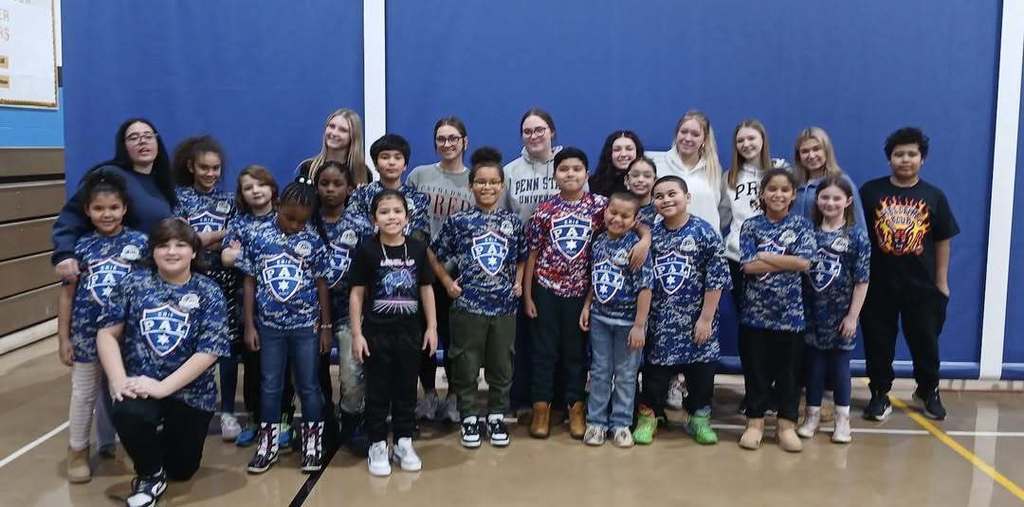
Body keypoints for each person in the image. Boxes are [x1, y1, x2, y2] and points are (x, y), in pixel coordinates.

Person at [95, 218, 229, 507]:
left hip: (190, 393)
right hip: (141, 385)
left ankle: (159, 444)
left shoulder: (209, 292)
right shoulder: (133, 283)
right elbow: (107, 332)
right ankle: (149, 474)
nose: (171, 252)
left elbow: (209, 351)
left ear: (194, 252)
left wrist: (163, 387)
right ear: (152, 251)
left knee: (181, 470)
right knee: (128, 411)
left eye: (180, 245)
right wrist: (117, 378)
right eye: (163, 245)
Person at [523, 147, 649, 439]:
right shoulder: (544, 210)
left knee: (575, 354)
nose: (570, 174)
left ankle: (575, 406)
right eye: (564, 169)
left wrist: (645, 240)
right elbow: (532, 253)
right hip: (546, 289)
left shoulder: (600, 206)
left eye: (576, 169)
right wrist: (528, 295)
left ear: (586, 173)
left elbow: (635, 222)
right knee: (544, 352)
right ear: (554, 175)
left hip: (581, 293)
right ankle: (541, 407)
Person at [859, 127, 958, 421]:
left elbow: (943, 239)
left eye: (911, 154)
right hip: (878, 284)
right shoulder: (870, 192)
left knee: (925, 340)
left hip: (922, 286)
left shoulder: (933, 196)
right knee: (878, 341)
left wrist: (942, 282)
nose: (905, 159)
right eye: (898, 154)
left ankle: (928, 389)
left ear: (922, 159)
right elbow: (858, 234)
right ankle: (879, 392)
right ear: (889, 158)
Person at [429, 147, 526, 449]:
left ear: (502, 185)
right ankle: (469, 416)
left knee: (502, 364)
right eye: (480, 182)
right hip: (468, 305)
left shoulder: (513, 222)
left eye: (493, 182)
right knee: (465, 363)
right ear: (471, 186)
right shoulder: (459, 222)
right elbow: (432, 253)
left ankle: (496, 414)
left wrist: (519, 283)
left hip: (504, 306)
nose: (487, 187)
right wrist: (446, 282)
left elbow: (522, 256)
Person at [58, 171, 148, 483]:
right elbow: (67, 294)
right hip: (84, 334)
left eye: (113, 208)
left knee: (123, 391)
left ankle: (132, 448)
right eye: (98, 209)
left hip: (127, 336)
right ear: (87, 211)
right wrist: (63, 338)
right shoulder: (80, 247)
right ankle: (78, 450)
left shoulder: (140, 243)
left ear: (124, 208)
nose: (106, 214)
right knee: (83, 393)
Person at [238, 182, 332, 474]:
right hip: (269, 327)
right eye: (290, 217)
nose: (294, 225)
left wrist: (326, 326)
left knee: (309, 385)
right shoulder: (258, 237)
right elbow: (250, 282)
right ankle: (267, 445)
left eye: (301, 220)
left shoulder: (314, 240)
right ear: (277, 206)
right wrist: (249, 324)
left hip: (306, 326)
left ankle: (312, 444)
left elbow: (321, 284)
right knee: (270, 385)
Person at [632, 177, 730, 446]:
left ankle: (698, 418)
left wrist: (706, 318)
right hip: (660, 323)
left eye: (672, 193)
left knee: (701, 376)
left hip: (697, 321)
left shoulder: (704, 232)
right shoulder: (652, 235)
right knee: (655, 379)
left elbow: (717, 278)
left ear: (687, 197)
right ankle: (650, 418)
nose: (666, 200)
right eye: (659, 196)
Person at [350, 189, 438, 476]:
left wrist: (432, 327)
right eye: (384, 212)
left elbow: (426, 289)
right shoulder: (366, 250)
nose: (391, 217)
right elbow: (357, 294)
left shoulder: (416, 248)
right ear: (374, 218)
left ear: (407, 216)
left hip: (410, 333)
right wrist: (356, 334)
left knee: (405, 389)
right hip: (376, 333)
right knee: (377, 390)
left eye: (397, 211)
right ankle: (377, 444)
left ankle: (403, 441)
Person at [220, 165, 298, 449]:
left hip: (285, 306)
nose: (255, 191)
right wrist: (261, 257)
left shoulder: (286, 218)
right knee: (254, 365)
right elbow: (227, 256)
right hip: (250, 307)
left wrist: (250, 254)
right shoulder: (239, 223)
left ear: (271, 187)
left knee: (282, 367)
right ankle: (255, 417)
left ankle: (283, 418)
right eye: (248, 187)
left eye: (260, 185)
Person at [737, 169, 815, 452]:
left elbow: (805, 263)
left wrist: (767, 256)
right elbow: (747, 266)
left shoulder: (803, 226)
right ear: (762, 194)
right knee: (755, 371)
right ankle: (755, 423)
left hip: (791, 316)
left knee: (789, 374)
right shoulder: (752, 226)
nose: (778, 195)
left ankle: (786, 425)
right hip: (754, 315)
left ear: (793, 194)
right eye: (772, 189)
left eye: (784, 190)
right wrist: (788, 260)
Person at [170, 135, 242, 442]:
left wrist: (207, 237)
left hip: (225, 281)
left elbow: (236, 241)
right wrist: (220, 233)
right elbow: (183, 239)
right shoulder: (179, 199)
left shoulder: (229, 201)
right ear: (191, 167)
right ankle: (180, 403)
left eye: (216, 168)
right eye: (204, 168)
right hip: (188, 279)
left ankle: (227, 411)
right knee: (186, 344)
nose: (211, 174)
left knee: (225, 347)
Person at [407, 117, 475, 422]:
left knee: (456, 339)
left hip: (457, 276)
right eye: (441, 138)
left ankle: (454, 397)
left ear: (464, 141)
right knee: (423, 337)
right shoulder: (419, 176)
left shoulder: (475, 180)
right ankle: (429, 395)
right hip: (420, 274)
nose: (447, 143)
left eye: (453, 138)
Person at [53, 118, 176, 282]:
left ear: (157, 141)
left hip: (152, 276)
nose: (142, 141)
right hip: (113, 274)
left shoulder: (163, 182)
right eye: (134, 137)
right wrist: (64, 254)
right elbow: (71, 217)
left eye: (148, 136)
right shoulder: (109, 175)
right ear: (123, 146)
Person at [719, 119, 788, 414]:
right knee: (749, 333)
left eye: (751, 138)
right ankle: (754, 391)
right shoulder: (729, 177)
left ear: (763, 138)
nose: (746, 145)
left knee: (776, 331)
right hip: (739, 259)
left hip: (776, 260)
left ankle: (776, 390)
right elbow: (722, 218)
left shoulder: (780, 169)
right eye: (740, 141)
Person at [797, 177, 870, 443]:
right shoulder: (808, 232)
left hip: (841, 315)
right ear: (817, 200)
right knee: (814, 367)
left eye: (836, 198)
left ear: (848, 201)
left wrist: (853, 316)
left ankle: (842, 420)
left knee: (840, 367)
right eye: (825, 197)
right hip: (811, 312)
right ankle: (812, 416)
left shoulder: (857, 236)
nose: (830, 203)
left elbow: (862, 280)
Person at [579, 192, 654, 447]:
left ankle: (621, 423)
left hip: (627, 324)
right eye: (613, 212)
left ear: (635, 220)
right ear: (605, 211)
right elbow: (595, 278)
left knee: (625, 374)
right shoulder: (598, 241)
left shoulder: (637, 247)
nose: (617, 219)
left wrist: (639, 325)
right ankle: (596, 423)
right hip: (600, 319)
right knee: (600, 372)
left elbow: (646, 288)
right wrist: (587, 305)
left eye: (625, 216)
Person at [310, 160, 373, 454]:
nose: (331, 189)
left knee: (351, 372)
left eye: (337, 184)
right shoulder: (306, 221)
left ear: (350, 189)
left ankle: (352, 421)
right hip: (309, 312)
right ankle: (323, 424)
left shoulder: (360, 224)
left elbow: (371, 268)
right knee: (312, 372)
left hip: (351, 310)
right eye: (325, 184)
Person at [345, 134, 431, 242]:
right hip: (369, 255)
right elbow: (353, 228)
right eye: (385, 157)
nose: (391, 162)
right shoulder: (361, 195)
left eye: (397, 157)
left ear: (405, 165)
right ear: (376, 165)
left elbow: (419, 234)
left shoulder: (418, 199)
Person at [648, 111, 725, 230]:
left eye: (695, 134)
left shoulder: (714, 170)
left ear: (704, 139)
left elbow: (720, 211)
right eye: (684, 132)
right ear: (676, 134)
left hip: (707, 244)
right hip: (668, 244)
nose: (688, 138)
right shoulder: (659, 165)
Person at [793, 127, 866, 230]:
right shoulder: (794, 184)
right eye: (805, 151)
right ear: (798, 156)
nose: (811, 155)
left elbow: (858, 223)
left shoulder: (842, 181)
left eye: (816, 149)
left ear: (826, 151)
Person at [503, 107, 564, 223]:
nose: (533, 136)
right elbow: (500, 215)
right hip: (521, 239)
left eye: (539, 130)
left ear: (552, 132)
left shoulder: (569, 168)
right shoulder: (508, 172)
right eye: (527, 132)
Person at [296, 108, 374, 187]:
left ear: (353, 137)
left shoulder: (363, 173)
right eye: (331, 126)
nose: (334, 133)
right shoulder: (308, 168)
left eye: (343, 130)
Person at [588, 130, 644, 197]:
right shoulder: (593, 183)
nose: (623, 154)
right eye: (617, 149)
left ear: (637, 153)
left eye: (629, 149)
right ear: (609, 154)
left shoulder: (648, 182)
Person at [625, 157, 658, 227]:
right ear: (626, 180)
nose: (640, 180)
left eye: (647, 176)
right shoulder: (616, 207)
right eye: (635, 175)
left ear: (655, 181)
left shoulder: (660, 209)